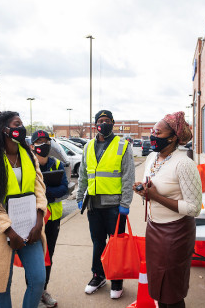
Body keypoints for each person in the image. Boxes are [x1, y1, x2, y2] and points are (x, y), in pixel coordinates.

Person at [0, 111, 47, 308]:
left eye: (21, 124)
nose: (21, 128)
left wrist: (39, 220)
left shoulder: (28, 155)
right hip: (0, 233)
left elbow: (39, 187)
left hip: (30, 228)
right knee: (2, 286)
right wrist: (9, 231)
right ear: (3, 129)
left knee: (38, 279)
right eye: (17, 124)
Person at [133, 111, 201, 308]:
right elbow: (154, 188)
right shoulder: (152, 157)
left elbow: (194, 208)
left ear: (173, 138)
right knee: (158, 286)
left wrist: (156, 197)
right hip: (154, 228)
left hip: (176, 233)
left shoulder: (184, 164)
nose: (153, 136)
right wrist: (144, 191)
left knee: (171, 291)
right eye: (152, 131)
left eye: (159, 133)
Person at [76, 109, 135, 299]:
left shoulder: (122, 145)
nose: (104, 123)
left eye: (107, 120)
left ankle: (116, 280)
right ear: (95, 125)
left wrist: (125, 203)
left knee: (116, 244)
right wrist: (79, 197)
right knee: (97, 242)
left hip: (114, 206)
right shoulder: (88, 146)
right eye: (100, 120)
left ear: (113, 122)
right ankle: (98, 275)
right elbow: (83, 175)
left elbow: (128, 176)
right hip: (94, 205)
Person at [29, 130, 68, 308]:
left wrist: (45, 193)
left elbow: (64, 189)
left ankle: (43, 291)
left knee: (48, 256)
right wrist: (46, 193)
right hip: (33, 219)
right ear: (32, 145)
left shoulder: (57, 164)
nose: (43, 145)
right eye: (39, 142)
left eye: (46, 142)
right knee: (32, 257)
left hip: (52, 218)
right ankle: (33, 291)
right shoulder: (28, 165)